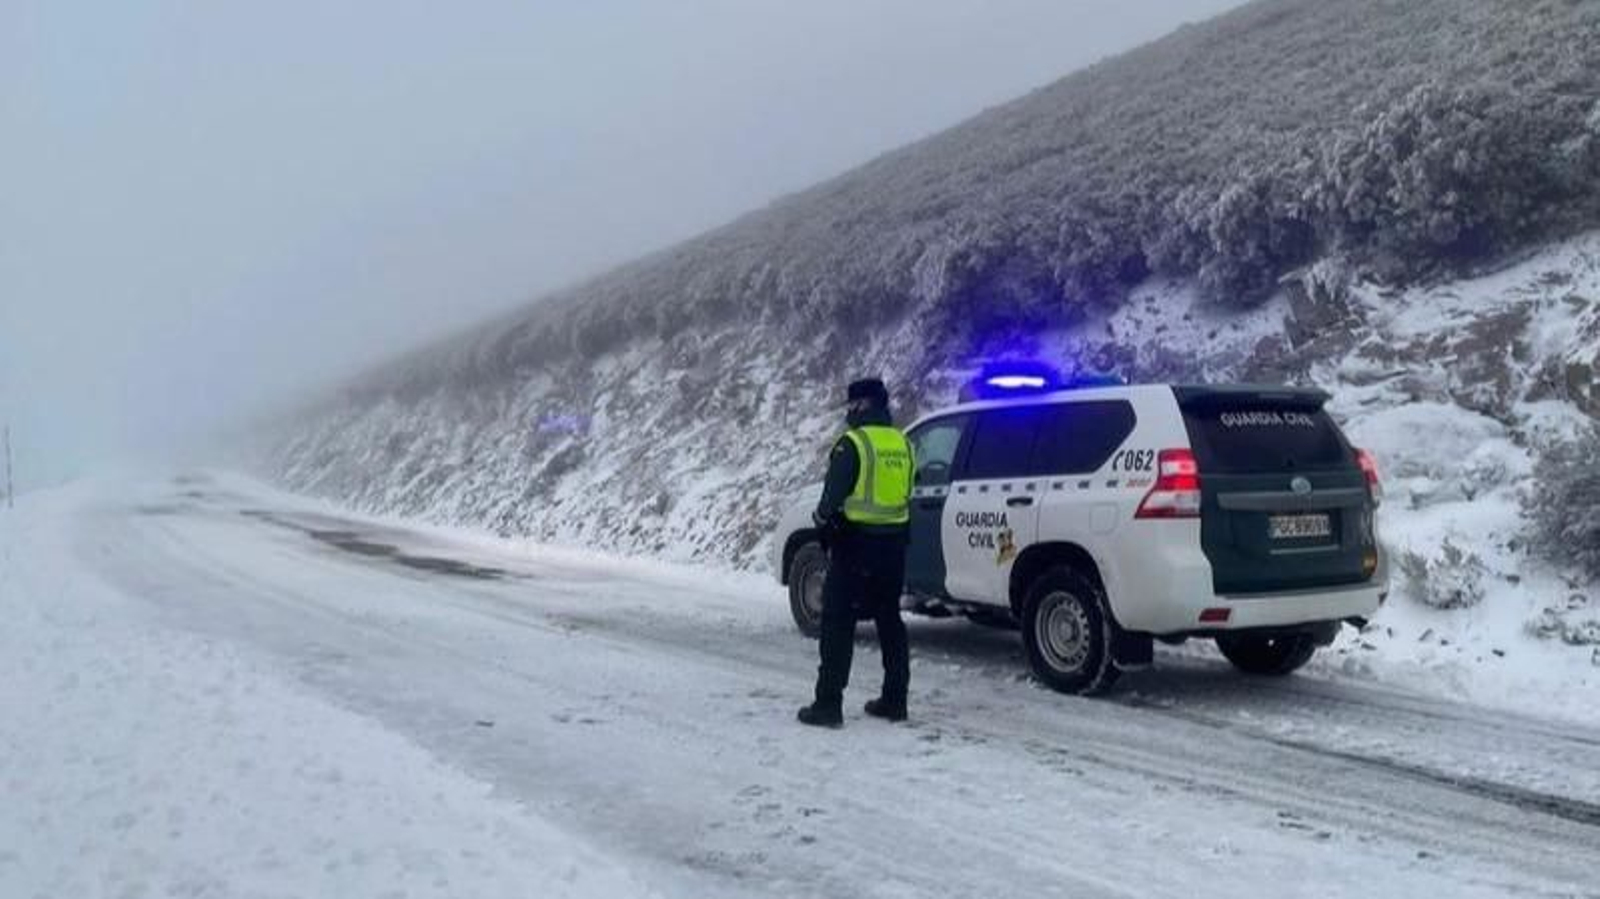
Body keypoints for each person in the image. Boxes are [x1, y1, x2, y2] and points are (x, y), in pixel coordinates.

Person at [797, 377, 915, 728]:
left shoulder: (853, 444)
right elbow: (909, 488)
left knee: (838, 623)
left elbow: (831, 499)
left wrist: (821, 521)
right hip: (894, 548)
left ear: (862, 406)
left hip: (855, 546)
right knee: (889, 621)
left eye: (851, 405)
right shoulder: (904, 443)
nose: (848, 411)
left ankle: (828, 704)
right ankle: (895, 700)